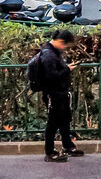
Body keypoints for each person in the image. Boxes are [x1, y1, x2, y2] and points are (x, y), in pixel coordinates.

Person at [27, 30, 82, 162]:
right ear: (61, 42)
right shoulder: (49, 56)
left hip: (59, 92)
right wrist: (67, 69)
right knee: (53, 121)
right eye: (66, 46)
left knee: (64, 119)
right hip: (53, 93)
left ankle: (67, 145)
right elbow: (52, 76)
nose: (65, 49)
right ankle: (50, 152)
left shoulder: (51, 52)